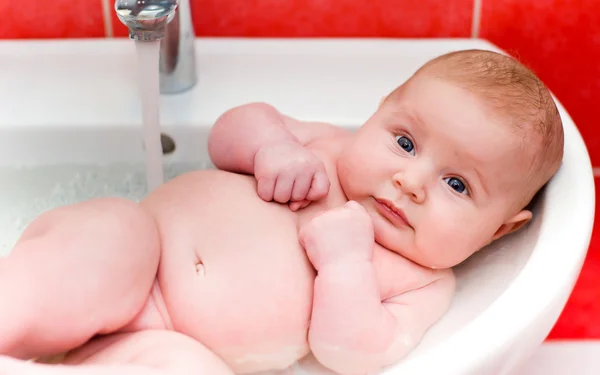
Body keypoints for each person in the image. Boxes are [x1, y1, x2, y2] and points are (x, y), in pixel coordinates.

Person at [0, 49, 564, 375]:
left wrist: (347, 267)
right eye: (407, 143)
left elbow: (354, 354)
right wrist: (271, 146)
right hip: (140, 248)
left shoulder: (421, 284)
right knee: (102, 246)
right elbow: (228, 133)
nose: (410, 181)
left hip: (178, 346)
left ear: (497, 232)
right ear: (377, 113)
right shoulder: (326, 146)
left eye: (457, 184)